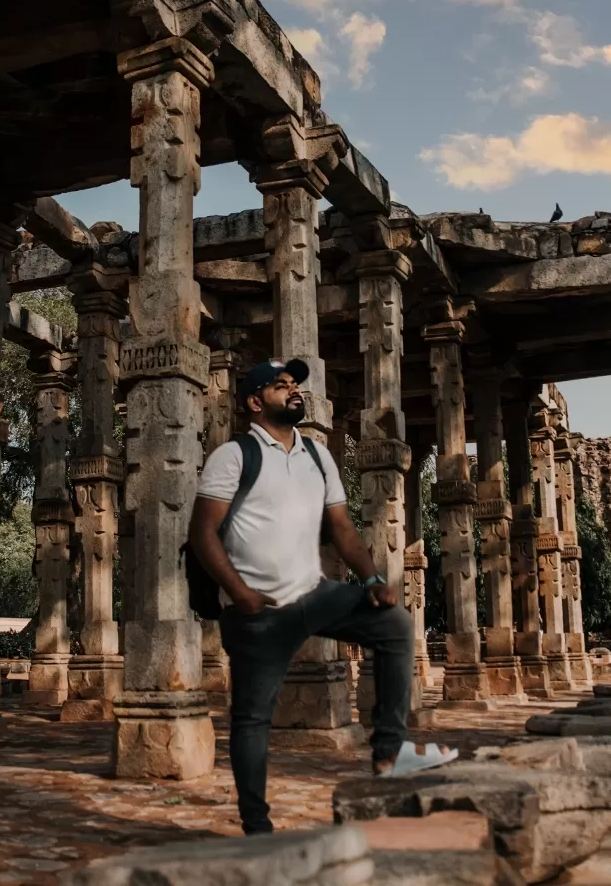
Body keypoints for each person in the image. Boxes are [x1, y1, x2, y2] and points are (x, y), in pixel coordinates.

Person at [188, 357, 457, 836]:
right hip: (260, 610)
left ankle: (389, 753)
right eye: (280, 385)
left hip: (314, 594)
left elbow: (342, 528)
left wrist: (372, 580)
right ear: (255, 402)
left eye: (295, 384)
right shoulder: (234, 456)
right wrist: (240, 594)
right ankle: (257, 825)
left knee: (394, 625)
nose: (293, 391)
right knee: (253, 717)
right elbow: (203, 533)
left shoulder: (317, 455)